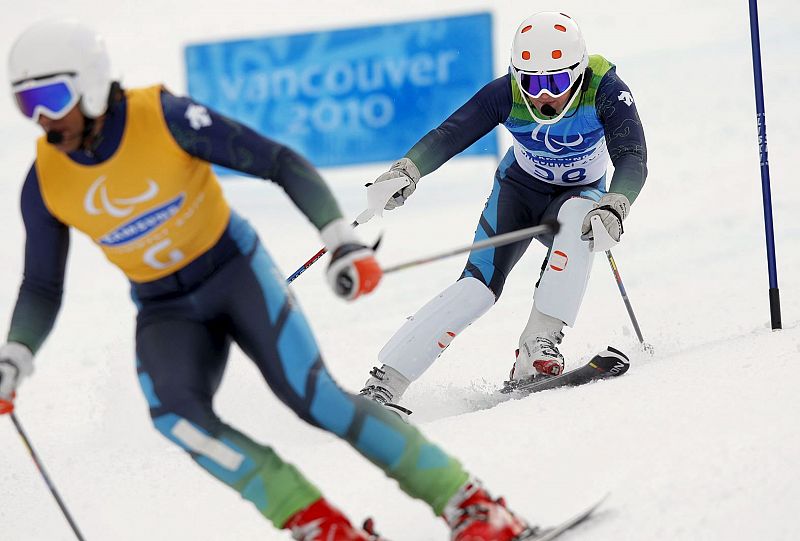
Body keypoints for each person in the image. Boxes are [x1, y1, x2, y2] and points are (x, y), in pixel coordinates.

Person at [0, 19, 539, 541]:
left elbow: (277, 161)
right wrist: (16, 355)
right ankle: (319, 525)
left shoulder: (160, 116)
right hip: (165, 306)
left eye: (51, 96)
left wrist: (340, 238)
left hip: (233, 269)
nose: (43, 118)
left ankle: (470, 503)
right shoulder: (46, 181)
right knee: (175, 417)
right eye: (26, 103)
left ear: (90, 83)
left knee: (315, 399)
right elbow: (42, 286)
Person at [359, 11, 648, 417]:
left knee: (584, 218)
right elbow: (451, 132)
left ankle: (537, 346)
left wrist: (615, 204)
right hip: (519, 192)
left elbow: (632, 155)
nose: (542, 95)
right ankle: (384, 383)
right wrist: (406, 171)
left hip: (581, 196)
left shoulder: (606, 90)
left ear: (579, 73)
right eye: (531, 82)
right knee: (475, 288)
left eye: (557, 82)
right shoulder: (506, 93)